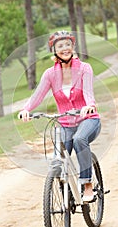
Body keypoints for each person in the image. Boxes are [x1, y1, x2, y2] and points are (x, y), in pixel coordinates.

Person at [19, 30, 101, 202]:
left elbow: (88, 92)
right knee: (59, 157)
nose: (65, 48)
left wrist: (89, 106)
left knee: (79, 139)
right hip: (65, 123)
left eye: (68, 45)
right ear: (54, 50)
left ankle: (87, 184)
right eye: (60, 46)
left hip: (88, 119)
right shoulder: (50, 74)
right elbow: (38, 95)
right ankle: (64, 188)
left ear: (73, 47)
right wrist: (26, 109)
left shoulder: (85, 68)